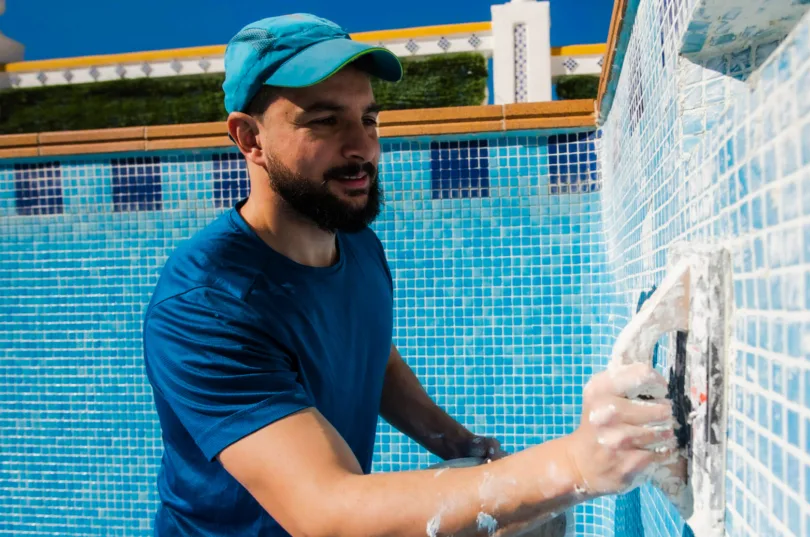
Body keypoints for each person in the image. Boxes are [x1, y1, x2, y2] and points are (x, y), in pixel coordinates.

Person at [143, 13, 683, 537]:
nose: (362, 148)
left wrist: (455, 442)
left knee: (531, 518)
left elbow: (369, 353)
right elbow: (326, 511)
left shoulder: (354, 243)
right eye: (325, 121)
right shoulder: (206, 304)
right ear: (249, 139)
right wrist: (577, 464)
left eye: (369, 118)